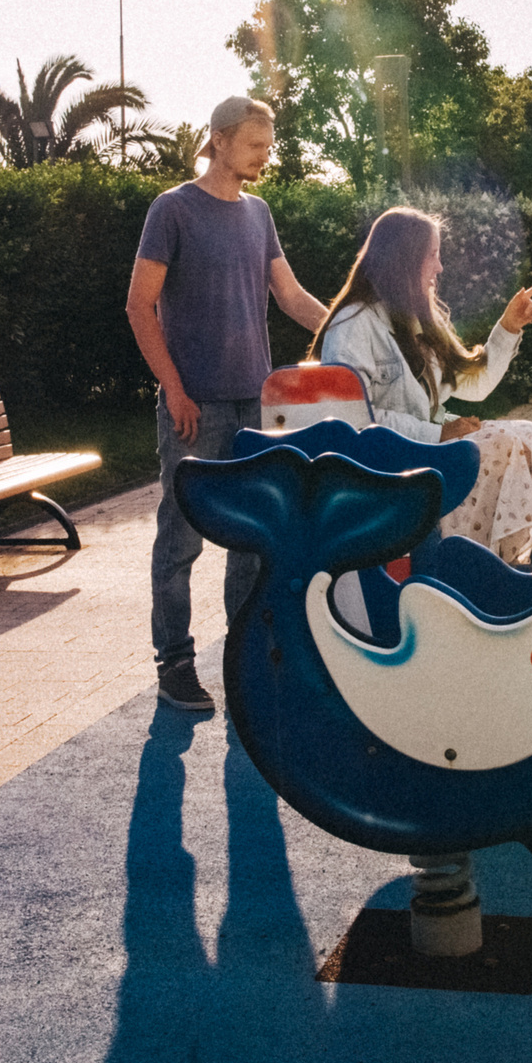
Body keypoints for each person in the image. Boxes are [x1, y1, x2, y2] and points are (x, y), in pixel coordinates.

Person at [126, 95, 329, 713]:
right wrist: (176, 389)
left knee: (251, 540)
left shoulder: (259, 213)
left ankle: (242, 658)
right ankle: (176, 664)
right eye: (255, 146)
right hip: (196, 408)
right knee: (181, 541)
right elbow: (140, 306)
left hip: (255, 405)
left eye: (268, 146)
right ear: (218, 140)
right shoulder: (173, 210)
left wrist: (353, 333)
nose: (265, 156)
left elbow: (290, 296)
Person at [313, 207, 532, 562]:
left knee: (530, 435)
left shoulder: (419, 316)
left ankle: (506, 562)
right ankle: (467, 563)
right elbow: (351, 422)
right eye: (433, 255)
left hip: (419, 452)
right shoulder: (353, 324)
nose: (439, 268)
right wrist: (437, 435)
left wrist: (508, 327)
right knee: (500, 444)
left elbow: (475, 384)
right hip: (383, 465)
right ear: (405, 260)